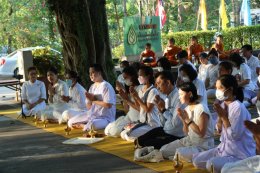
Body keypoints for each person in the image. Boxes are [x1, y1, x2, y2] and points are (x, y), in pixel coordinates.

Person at [192, 75, 256, 173]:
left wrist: (224, 118)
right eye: (216, 88)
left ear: (230, 90)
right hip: (223, 149)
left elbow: (234, 136)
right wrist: (219, 121)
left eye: (220, 88)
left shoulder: (238, 108)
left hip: (239, 153)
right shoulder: (223, 105)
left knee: (211, 165)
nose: (217, 91)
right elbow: (219, 130)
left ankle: (240, 164)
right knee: (196, 160)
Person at [158, 82, 214, 162]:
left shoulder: (201, 109)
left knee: (179, 153)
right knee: (163, 150)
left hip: (203, 145)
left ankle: (203, 155)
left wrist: (187, 119)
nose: (179, 97)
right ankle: (181, 157)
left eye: (181, 94)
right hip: (190, 140)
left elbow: (201, 133)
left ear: (190, 94)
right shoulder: (187, 108)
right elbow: (186, 132)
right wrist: (183, 119)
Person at [134, 71, 184, 149]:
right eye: (156, 84)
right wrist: (160, 110)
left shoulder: (179, 98)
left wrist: (163, 110)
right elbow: (163, 123)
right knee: (139, 140)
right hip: (165, 130)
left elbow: (175, 123)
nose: (157, 87)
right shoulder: (166, 98)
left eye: (159, 83)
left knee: (147, 144)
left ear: (167, 82)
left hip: (175, 134)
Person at [67, 64, 116, 131]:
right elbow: (88, 106)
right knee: (70, 122)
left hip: (105, 118)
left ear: (99, 73)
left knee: (93, 125)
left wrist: (93, 100)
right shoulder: (92, 87)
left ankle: (83, 125)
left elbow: (108, 105)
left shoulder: (106, 86)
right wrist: (89, 102)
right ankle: (86, 125)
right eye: (89, 73)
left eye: (92, 72)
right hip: (92, 115)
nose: (90, 75)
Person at [120, 65, 161, 141]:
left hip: (151, 124)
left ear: (148, 76)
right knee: (122, 133)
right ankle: (144, 137)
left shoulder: (153, 91)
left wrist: (137, 97)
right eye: (138, 75)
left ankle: (149, 137)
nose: (139, 77)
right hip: (142, 122)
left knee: (128, 135)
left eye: (141, 75)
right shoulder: (141, 89)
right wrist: (133, 95)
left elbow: (148, 110)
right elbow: (139, 107)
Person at [105, 66, 140, 137]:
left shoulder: (140, 89)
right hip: (129, 116)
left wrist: (126, 99)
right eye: (124, 79)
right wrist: (124, 95)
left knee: (115, 132)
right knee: (107, 131)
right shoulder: (130, 89)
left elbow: (139, 108)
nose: (125, 80)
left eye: (126, 78)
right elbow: (127, 111)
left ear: (133, 76)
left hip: (137, 119)